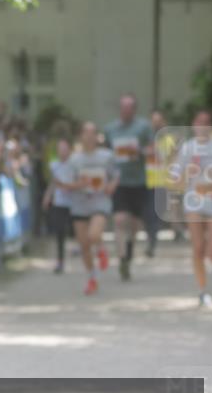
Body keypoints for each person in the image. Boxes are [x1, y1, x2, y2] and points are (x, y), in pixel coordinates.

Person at [170, 110, 212, 308]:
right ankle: (203, 290)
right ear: (193, 125)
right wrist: (180, 174)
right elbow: (175, 174)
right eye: (199, 122)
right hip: (194, 202)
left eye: (206, 122)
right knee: (199, 248)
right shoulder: (187, 148)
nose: (203, 126)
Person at [103, 94, 154, 281]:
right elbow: (105, 153)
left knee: (134, 225)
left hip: (139, 182)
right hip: (119, 182)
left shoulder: (143, 127)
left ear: (134, 109)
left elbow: (153, 149)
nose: (125, 110)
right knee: (119, 220)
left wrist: (139, 151)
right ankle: (122, 258)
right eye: (122, 107)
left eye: (129, 107)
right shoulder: (110, 129)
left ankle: (129, 252)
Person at [68, 122, 118, 295]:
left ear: (98, 136)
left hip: (100, 201)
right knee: (84, 245)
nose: (89, 137)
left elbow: (115, 175)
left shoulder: (107, 156)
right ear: (80, 136)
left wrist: (111, 185)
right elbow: (68, 183)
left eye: (93, 133)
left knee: (94, 235)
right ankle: (92, 278)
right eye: (86, 133)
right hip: (80, 203)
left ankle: (101, 248)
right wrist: (79, 184)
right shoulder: (74, 159)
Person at [42, 138, 74, 274]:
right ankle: (60, 261)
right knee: (60, 231)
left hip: (74, 203)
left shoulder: (75, 165)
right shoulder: (54, 165)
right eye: (60, 149)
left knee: (75, 230)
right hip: (59, 202)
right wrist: (47, 196)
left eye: (65, 149)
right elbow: (53, 183)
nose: (62, 152)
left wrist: (69, 187)